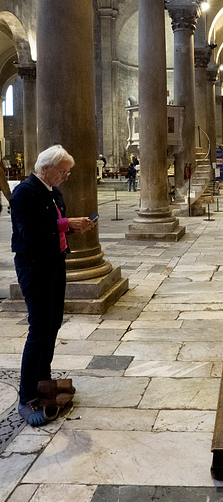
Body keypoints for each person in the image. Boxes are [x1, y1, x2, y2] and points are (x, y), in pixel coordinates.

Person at [10, 145, 97, 427]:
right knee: (38, 329)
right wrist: (63, 224)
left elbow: (57, 223)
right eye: (63, 171)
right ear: (45, 167)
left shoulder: (52, 192)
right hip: (34, 266)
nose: (66, 176)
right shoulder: (25, 192)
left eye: (68, 172)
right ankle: (26, 397)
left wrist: (74, 226)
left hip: (55, 263)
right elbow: (30, 230)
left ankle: (43, 382)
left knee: (53, 324)